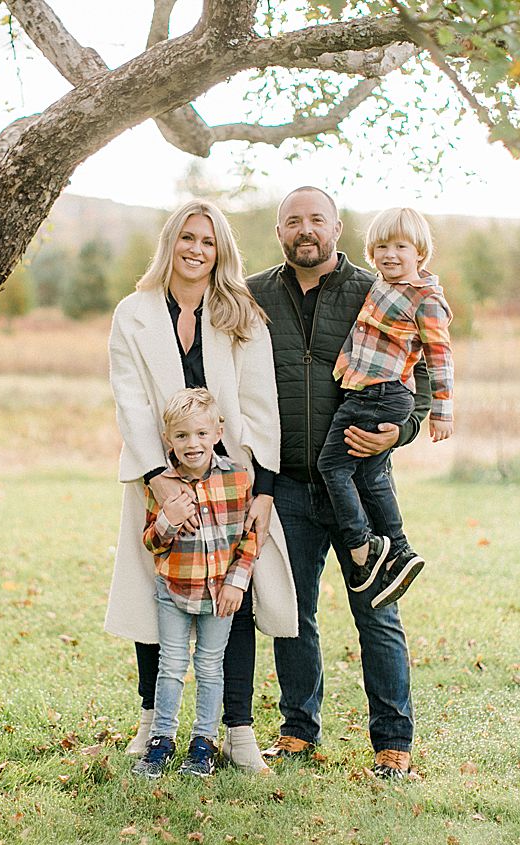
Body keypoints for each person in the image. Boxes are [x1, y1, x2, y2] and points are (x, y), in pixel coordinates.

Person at [104, 200, 297, 775]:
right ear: (170, 242)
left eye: (208, 242)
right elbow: (130, 399)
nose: (195, 249)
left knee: (231, 597)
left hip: (232, 479)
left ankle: (236, 730)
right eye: (187, 237)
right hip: (158, 473)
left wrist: (263, 489)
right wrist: (159, 481)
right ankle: (151, 722)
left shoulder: (240, 314)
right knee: (154, 591)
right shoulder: (133, 313)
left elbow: (262, 404)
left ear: (221, 252)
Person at [246, 187, 432, 780]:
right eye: (293, 220)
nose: (306, 230)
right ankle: (299, 731)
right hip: (288, 488)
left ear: (338, 228)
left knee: (376, 612)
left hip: (358, 479)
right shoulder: (254, 296)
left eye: (316, 220)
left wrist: (398, 432)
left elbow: (422, 371)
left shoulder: (377, 290)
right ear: (279, 231)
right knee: (291, 612)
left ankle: (393, 743)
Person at [317, 206, 453, 609]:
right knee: (372, 475)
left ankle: (364, 547)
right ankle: (401, 553)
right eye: (380, 247)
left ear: (420, 253)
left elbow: (439, 355)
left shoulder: (425, 298)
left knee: (333, 466)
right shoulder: (380, 284)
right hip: (368, 390)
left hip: (379, 394)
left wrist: (442, 411)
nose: (389, 254)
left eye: (400, 246)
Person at [131, 388, 258, 778]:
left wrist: (237, 583)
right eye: (182, 436)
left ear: (218, 432)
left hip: (220, 594)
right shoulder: (163, 485)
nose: (192, 444)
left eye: (201, 434)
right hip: (174, 591)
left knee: (209, 665)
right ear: (168, 439)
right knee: (170, 665)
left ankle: (204, 741)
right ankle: (162, 739)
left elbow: (248, 538)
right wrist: (169, 518)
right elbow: (151, 540)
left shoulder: (236, 478)